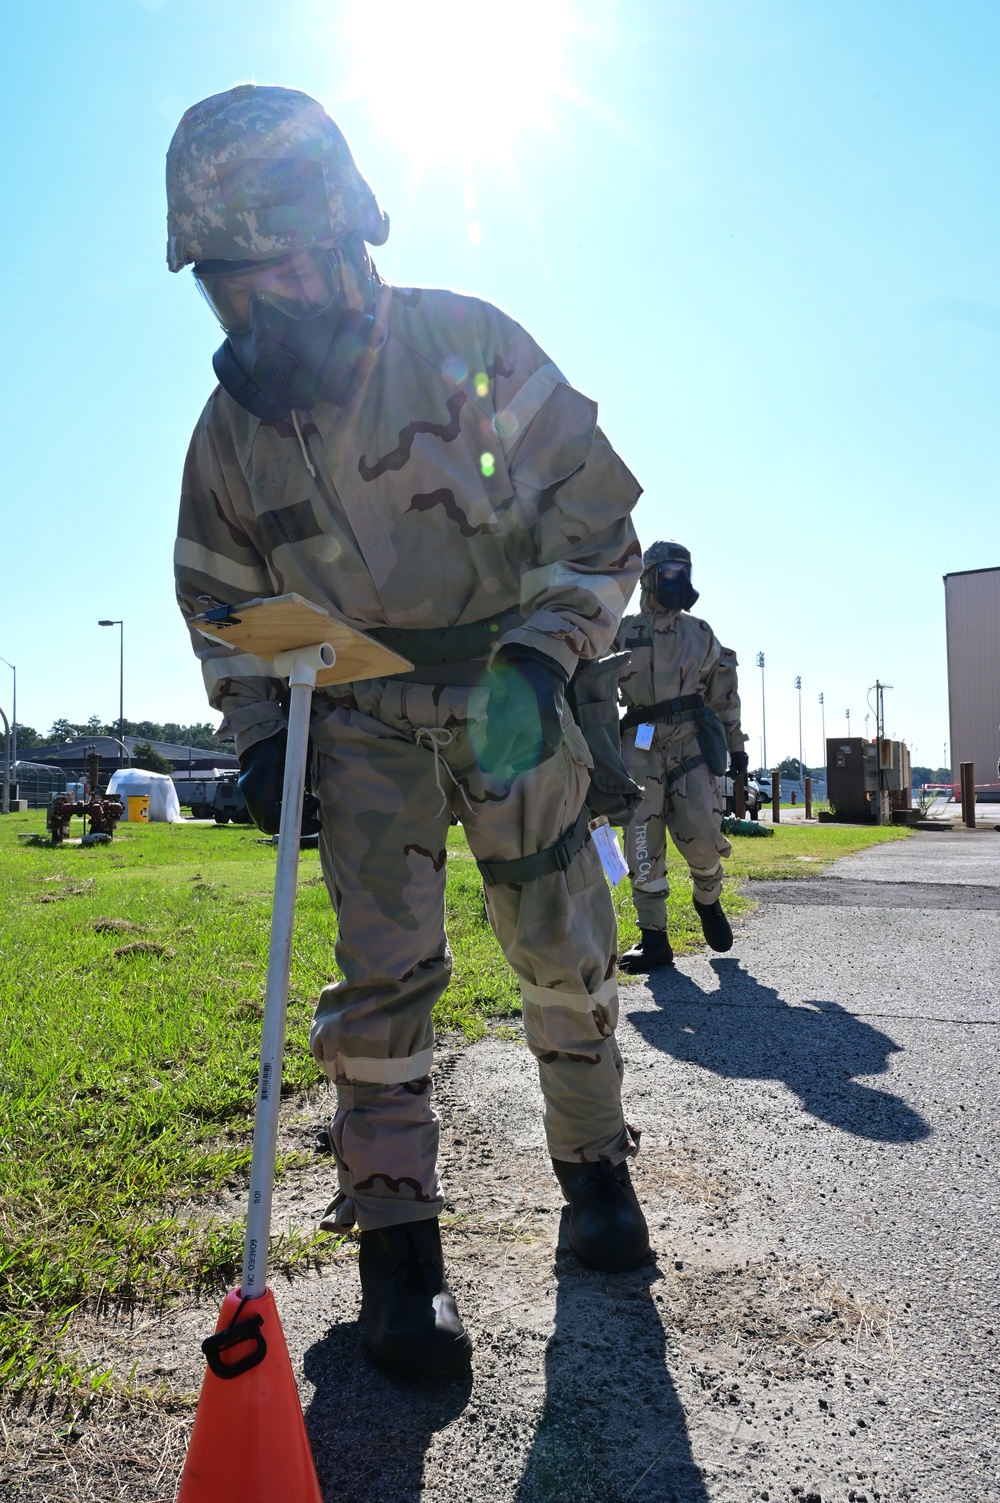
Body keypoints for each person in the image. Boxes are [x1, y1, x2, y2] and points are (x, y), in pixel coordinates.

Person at [167, 85, 649, 1379]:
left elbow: (601, 535)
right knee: (380, 984)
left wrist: (543, 659)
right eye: (220, 291)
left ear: (335, 240)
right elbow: (222, 600)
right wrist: (265, 729)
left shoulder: (467, 343)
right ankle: (401, 1260)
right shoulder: (231, 435)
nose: (243, 317)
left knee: (561, 946)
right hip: (364, 719)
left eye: (256, 279)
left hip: (511, 697)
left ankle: (597, 1174)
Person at [614, 540, 748, 972]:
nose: (680, 580)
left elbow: (724, 688)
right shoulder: (622, 631)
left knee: (702, 833)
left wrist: (736, 746)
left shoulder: (700, 634)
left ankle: (708, 899)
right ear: (650, 576)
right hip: (639, 743)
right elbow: (590, 682)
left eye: (685, 571)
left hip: (690, 740)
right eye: (671, 572)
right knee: (641, 838)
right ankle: (654, 937)